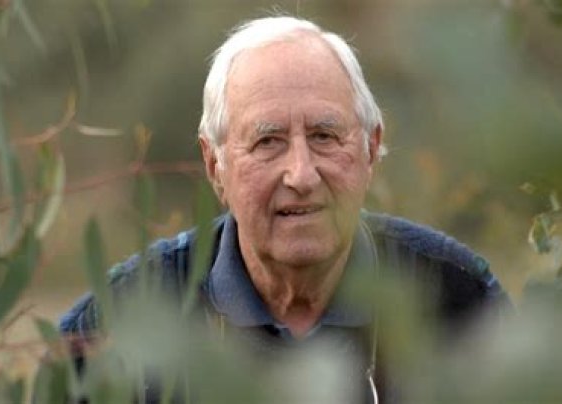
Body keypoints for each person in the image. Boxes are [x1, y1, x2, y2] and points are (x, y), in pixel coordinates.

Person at [60, 15, 509, 403]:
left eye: (324, 136)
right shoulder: (117, 325)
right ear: (215, 165)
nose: (301, 175)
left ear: (370, 149)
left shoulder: (460, 304)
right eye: (268, 141)